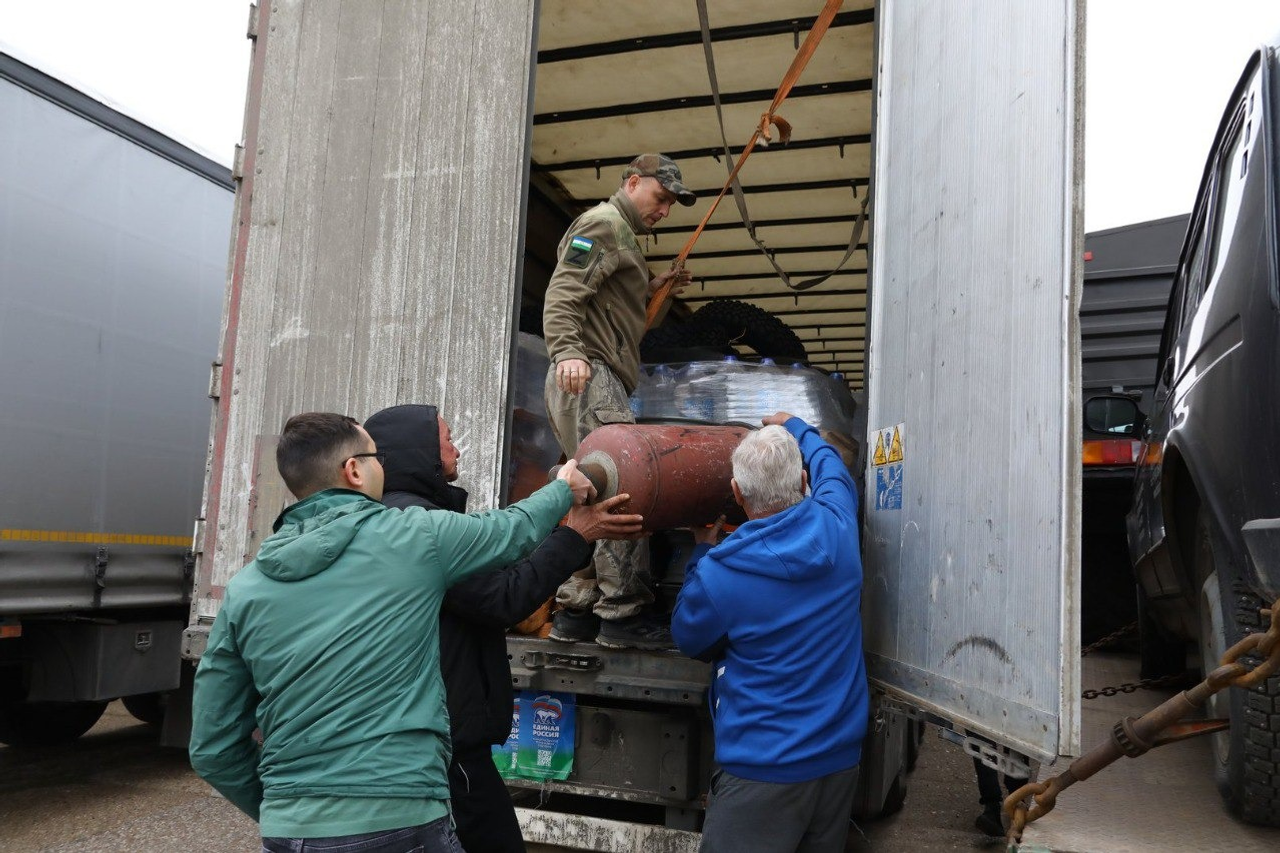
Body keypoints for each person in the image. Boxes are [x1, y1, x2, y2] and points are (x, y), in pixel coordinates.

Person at [189, 411, 593, 853]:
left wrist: (284, 810)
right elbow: (513, 529)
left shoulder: (245, 588)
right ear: (355, 470)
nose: (384, 465)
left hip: (290, 832)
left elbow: (213, 747)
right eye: (375, 456)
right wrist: (563, 487)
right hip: (402, 819)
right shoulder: (412, 536)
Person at [363, 403, 644, 852]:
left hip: (441, 742)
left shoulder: (398, 516)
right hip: (449, 749)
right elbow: (502, 597)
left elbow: (497, 572)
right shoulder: (421, 530)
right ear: (419, 453)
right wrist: (576, 536)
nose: (457, 447)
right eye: (447, 438)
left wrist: (567, 532)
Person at [671, 413, 868, 853]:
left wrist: (701, 549)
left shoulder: (719, 575)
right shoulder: (839, 526)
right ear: (803, 481)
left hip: (762, 770)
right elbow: (832, 468)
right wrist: (798, 426)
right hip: (838, 764)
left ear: (738, 494)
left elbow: (688, 636)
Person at [542, 152, 696, 650]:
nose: (665, 211)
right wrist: (568, 351)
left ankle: (576, 609)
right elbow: (565, 290)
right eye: (660, 198)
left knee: (585, 489)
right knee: (625, 486)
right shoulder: (604, 225)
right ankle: (622, 615)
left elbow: (613, 305)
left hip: (594, 376)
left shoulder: (622, 237)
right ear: (633, 182)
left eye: (672, 204)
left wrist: (658, 287)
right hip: (591, 375)